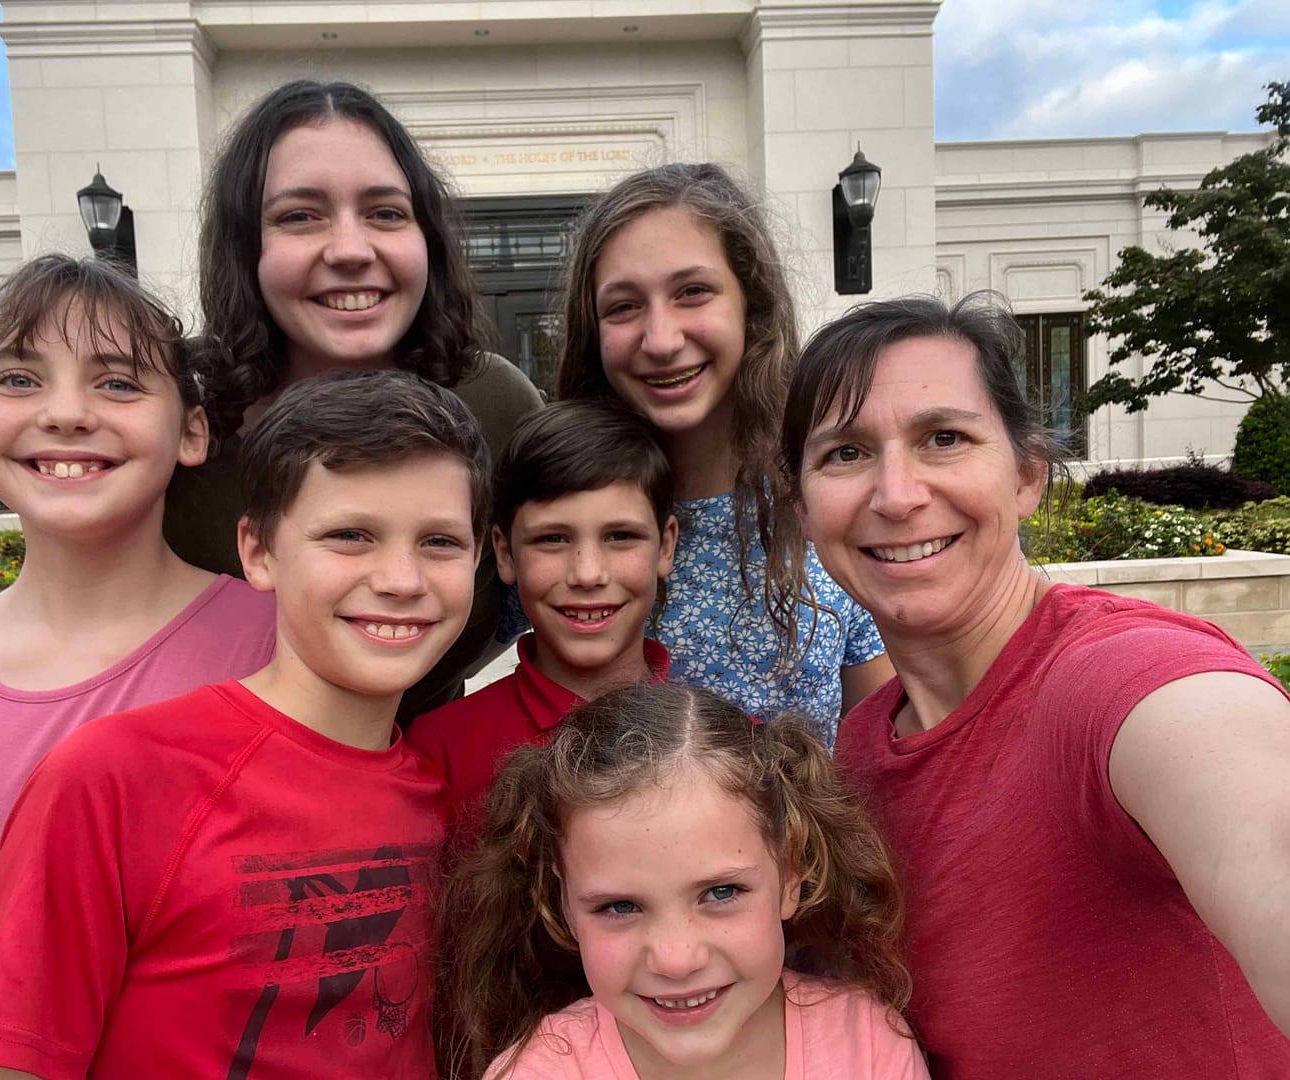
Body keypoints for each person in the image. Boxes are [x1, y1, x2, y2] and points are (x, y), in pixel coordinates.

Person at [782, 293, 1290, 1078]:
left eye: (943, 438)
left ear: (1026, 477)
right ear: (803, 511)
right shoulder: (861, 746)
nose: (897, 494)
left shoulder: (1120, 680)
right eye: (844, 454)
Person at [0, 370, 488, 1079]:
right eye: (351, 535)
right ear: (259, 553)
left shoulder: (443, 797)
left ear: (480, 556)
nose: (401, 579)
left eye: (440, 542)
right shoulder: (117, 778)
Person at [0, 255, 277, 1080]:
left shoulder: (279, 646)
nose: (68, 413)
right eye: (17, 378)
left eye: (117, 383)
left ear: (191, 431)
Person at [163, 78, 542, 722]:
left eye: (386, 212)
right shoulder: (181, 412)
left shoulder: (497, 404)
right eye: (300, 215)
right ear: (245, 246)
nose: (350, 250)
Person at [439, 682, 928, 1079]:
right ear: (561, 902)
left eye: (721, 893)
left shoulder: (868, 1047)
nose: (676, 960)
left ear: (792, 874)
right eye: (620, 907)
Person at [556, 162, 889, 743]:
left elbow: (887, 754)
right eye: (623, 306)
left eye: (692, 292)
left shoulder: (830, 498)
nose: (660, 340)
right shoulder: (555, 508)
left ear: (751, 307)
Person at [407, 400, 678, 831]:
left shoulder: (727, 745)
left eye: (620, 536)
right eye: (552, 539)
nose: (588, 573)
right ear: (504, 552)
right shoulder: (438, 751)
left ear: (665, 546)